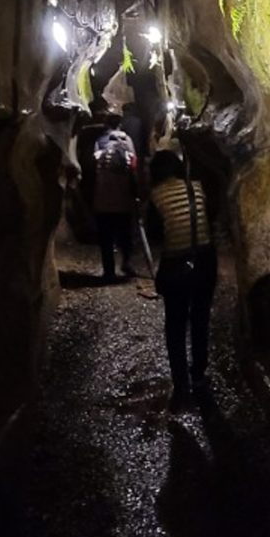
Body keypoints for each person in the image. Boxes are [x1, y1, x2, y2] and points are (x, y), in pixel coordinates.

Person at [147, 149, 216, 407]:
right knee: (200, 319)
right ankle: (198, 375)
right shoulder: (196, 188)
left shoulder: (156, 195)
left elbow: (155, 235)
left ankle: (181, 388)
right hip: (205, 260)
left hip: (176, 263)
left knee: (175, 326)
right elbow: (210, 217)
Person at [92, 116, 139, 281]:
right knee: (125, 234)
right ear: (120, 125)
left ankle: (109, 271)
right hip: (123, 198)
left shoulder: (100, 141)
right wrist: (136, 191)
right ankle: (127, 263)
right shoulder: (128, 142)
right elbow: (133, 166)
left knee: (106, 237)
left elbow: (94, 166)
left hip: (103, 198)